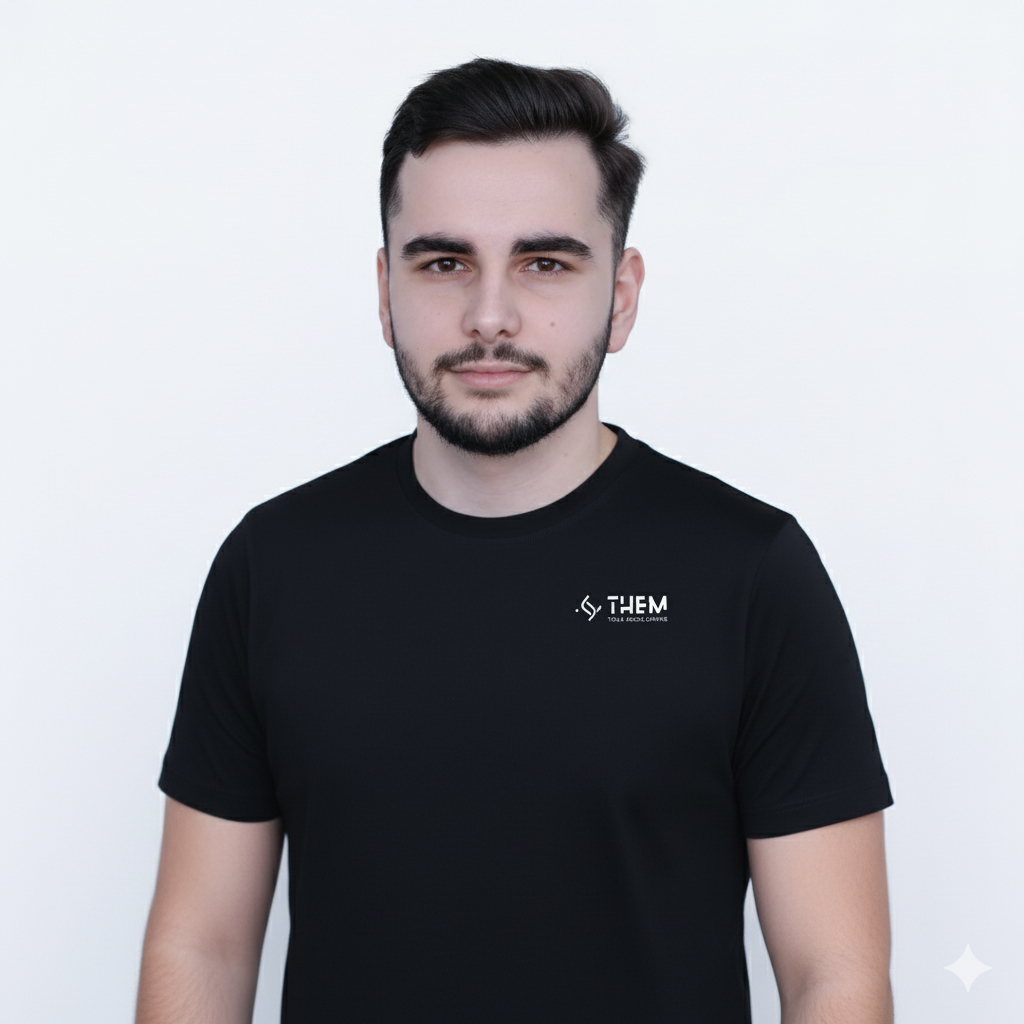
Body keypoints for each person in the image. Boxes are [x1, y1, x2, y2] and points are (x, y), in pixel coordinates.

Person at [136, 58, 894, 1024]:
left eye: (545, 263)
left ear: (622, 295)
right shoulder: (275, 565)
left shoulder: (748, 572)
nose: (489, 317)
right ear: (385, 291)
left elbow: (835, 974)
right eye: (444, 262)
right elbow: (200, 946)